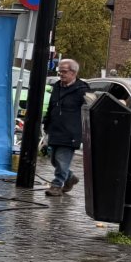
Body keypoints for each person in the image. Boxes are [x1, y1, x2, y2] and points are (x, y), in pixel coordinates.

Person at [42, 58, 90, 197]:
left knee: (62, 160)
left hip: (70, 133)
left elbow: (87, 111)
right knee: (54, 160)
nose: (61, 75)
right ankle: (70, 178)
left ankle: (56, 185)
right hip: (55, 129)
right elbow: (52, 106)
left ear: (73, 73)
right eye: (60, 72)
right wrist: (47, 123)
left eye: (64, 72)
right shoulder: (57, 87)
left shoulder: (82, 90)